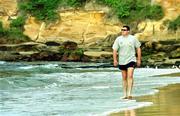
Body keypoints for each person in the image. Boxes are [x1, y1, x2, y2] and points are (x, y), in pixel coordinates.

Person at [112, 25, 141, 99]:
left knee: (130, 76)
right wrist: (115, 60)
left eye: (124, 30)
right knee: (124, 77)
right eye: (122, 30)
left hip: (131, 59)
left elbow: (138, 48)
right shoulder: (118, 39)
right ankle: (125, 94)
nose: (122, 31)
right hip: (122, 60)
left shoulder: (133, 38)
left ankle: (129, 93)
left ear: (128, 31)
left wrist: (138, 59)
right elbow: (115, 50)